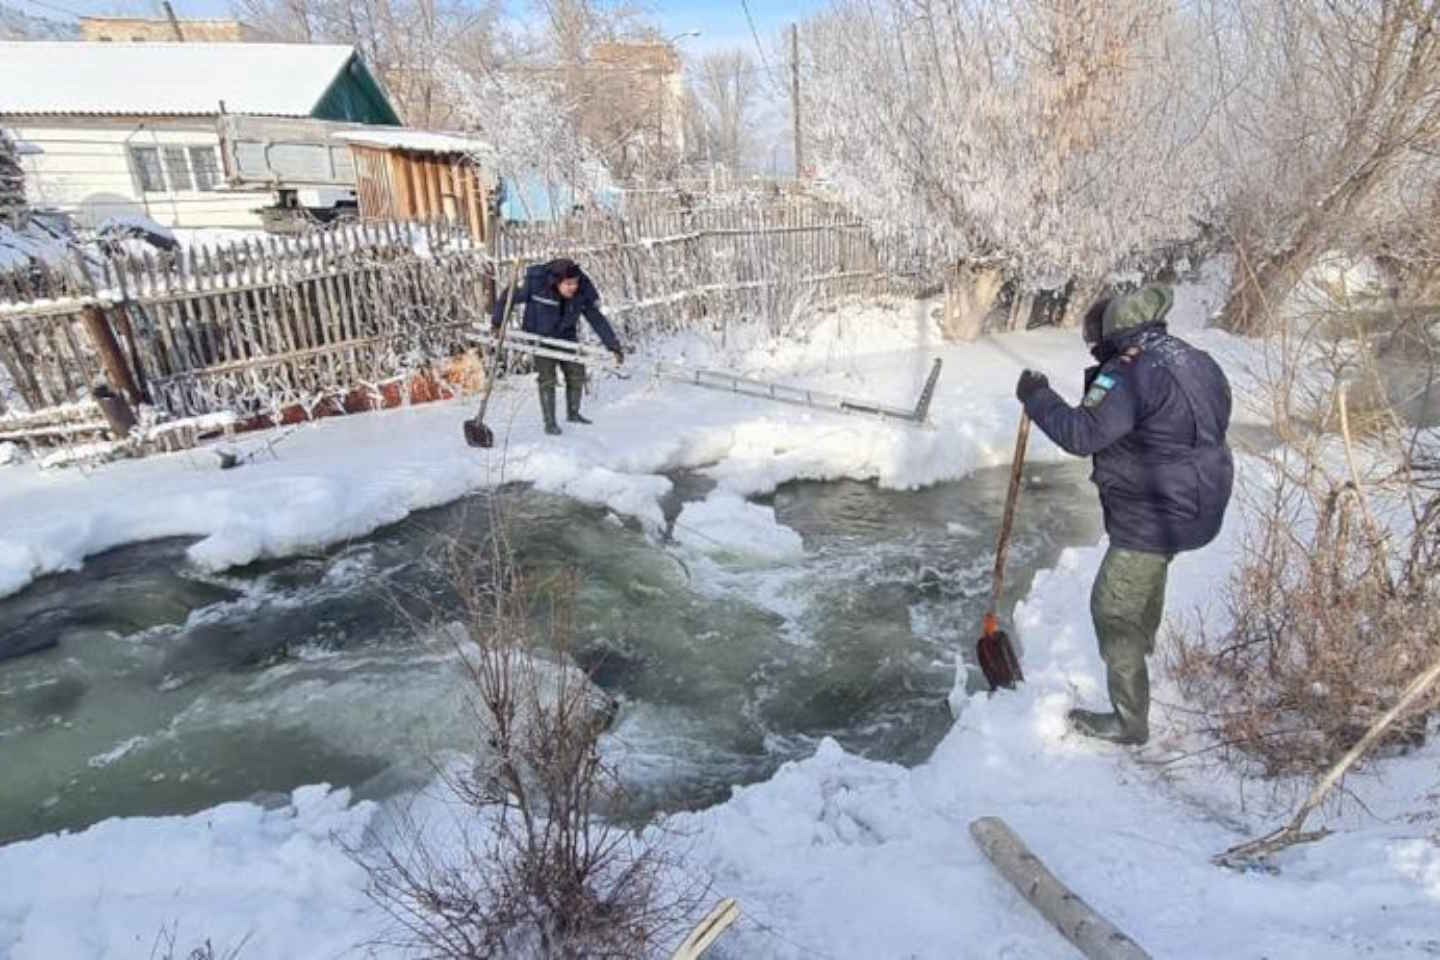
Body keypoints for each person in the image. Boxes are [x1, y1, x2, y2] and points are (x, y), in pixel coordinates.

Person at [1014, 284, 1233, 745]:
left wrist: (1037, 397)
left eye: (1096, 344)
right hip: (1201, 502)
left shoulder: (1131, 370)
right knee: (1147, 579)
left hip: (1156, 512)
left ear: (1110, 334)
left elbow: (1081, 433)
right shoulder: (1191, 357)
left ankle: (1129, 721)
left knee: (1112, 608)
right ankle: (1141, 651)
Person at [491, 258, 624, 435]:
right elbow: (508, 298)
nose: (573, 287)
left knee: (576, 371)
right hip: (539, 336)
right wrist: (498, 323)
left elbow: (597, 319)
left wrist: (613, 346)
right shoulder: (537, 285)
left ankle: (573, 413)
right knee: (547, 377)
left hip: (565, 334)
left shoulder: (582, 291)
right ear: (557, 282)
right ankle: (550, 423)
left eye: (575, 283)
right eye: (568, 284)